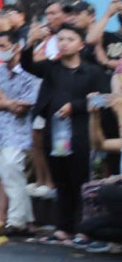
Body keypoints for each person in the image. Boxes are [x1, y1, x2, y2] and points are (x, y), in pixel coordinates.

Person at [20, 21, 107, 246]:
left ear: (80, 45)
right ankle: (63, 227)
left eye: (70, 39)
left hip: (81, 132)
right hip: (55, 133)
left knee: (81, 179)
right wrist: (30, 42)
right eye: (61, 39)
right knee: (61, 179)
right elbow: (27, 65)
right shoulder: (52, 68)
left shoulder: (93, 72)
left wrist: (75, 106)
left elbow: (102, 99)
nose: (64, 44)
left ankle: (83, 228)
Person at [0, 30, 39, 236]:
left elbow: (23, 107)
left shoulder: (30, 73)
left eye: (3, 46)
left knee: (12, 172)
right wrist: (8, 102)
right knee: (9, 175)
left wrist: (3, 101)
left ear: (16, 46)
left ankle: (15, 221)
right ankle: (28, 221)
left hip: (19, 132)